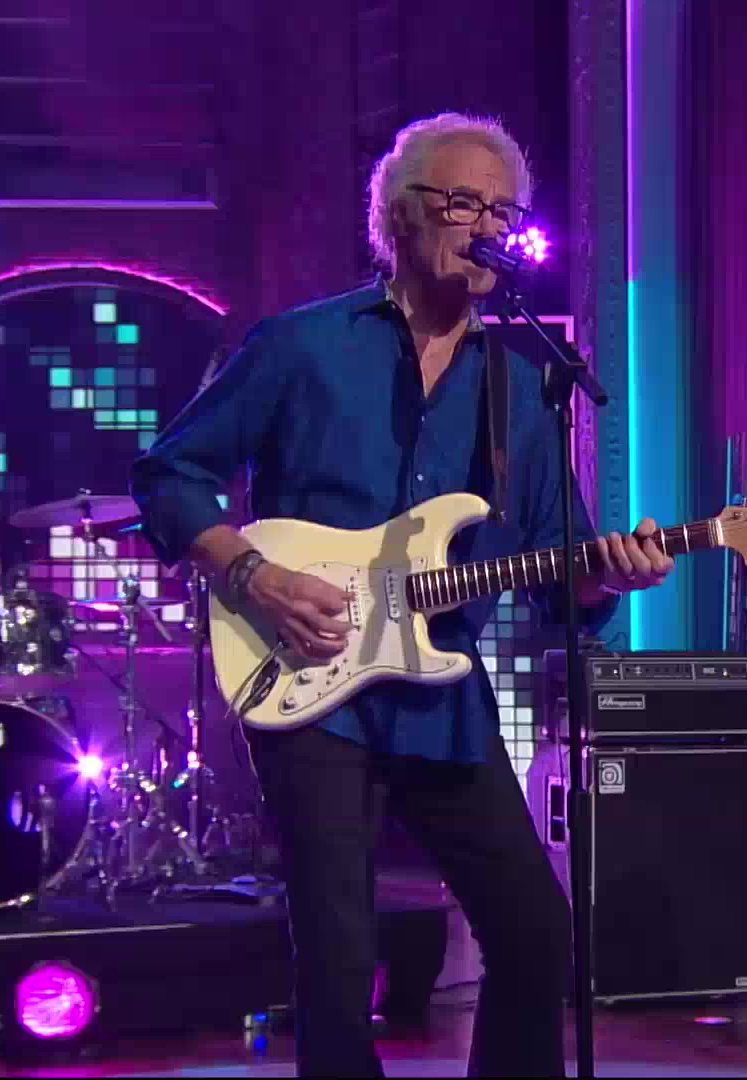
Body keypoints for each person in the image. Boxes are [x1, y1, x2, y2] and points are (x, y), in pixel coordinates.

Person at [131, 112, 673, 1078]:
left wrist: (605, 574)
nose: (487, 226)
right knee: (339, 959)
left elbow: (559, 576)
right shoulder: (301, 347)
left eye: (503, 211)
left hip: (439, 696)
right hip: (307, 684)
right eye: (463, 203)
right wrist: (252, 574)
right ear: (397, 217)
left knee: (535, 933)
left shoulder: (521, 391)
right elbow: (168, 473)